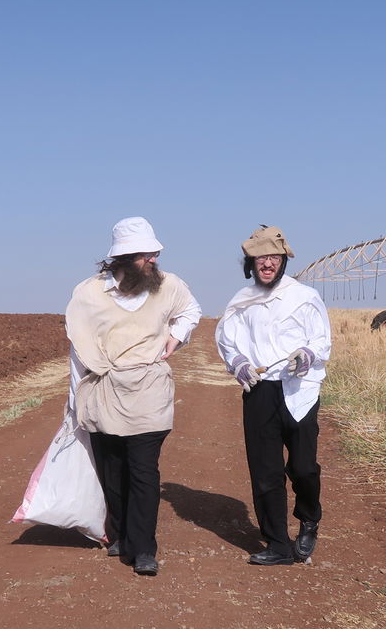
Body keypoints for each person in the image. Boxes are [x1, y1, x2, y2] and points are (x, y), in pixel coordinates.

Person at [65, 217, 201, 576]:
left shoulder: (169, 285)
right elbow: (78, 349)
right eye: (145, 255)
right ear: (123, 258)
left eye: (154, 253)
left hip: (149, 389)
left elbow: (191, 310)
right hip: (104, 388)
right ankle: (121, 534)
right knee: (112, 469)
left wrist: (177, 335)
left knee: (143, 470)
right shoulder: (88, 294)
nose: (153, 259)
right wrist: (75, 402)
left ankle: (143, 549)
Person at [215, 226, 332, 567]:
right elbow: (227, 339)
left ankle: (309, 518)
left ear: (283, 261)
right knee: (265, 471)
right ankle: (278, 543)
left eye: (274, 258)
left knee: (303, 467)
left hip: (299, 389)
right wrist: (238, 362)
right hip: (259, 390)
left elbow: (321, 339)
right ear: (250, 263)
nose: (267, 264)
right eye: (260, 258)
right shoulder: (242, 300)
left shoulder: (304, 297)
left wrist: (307, 355)